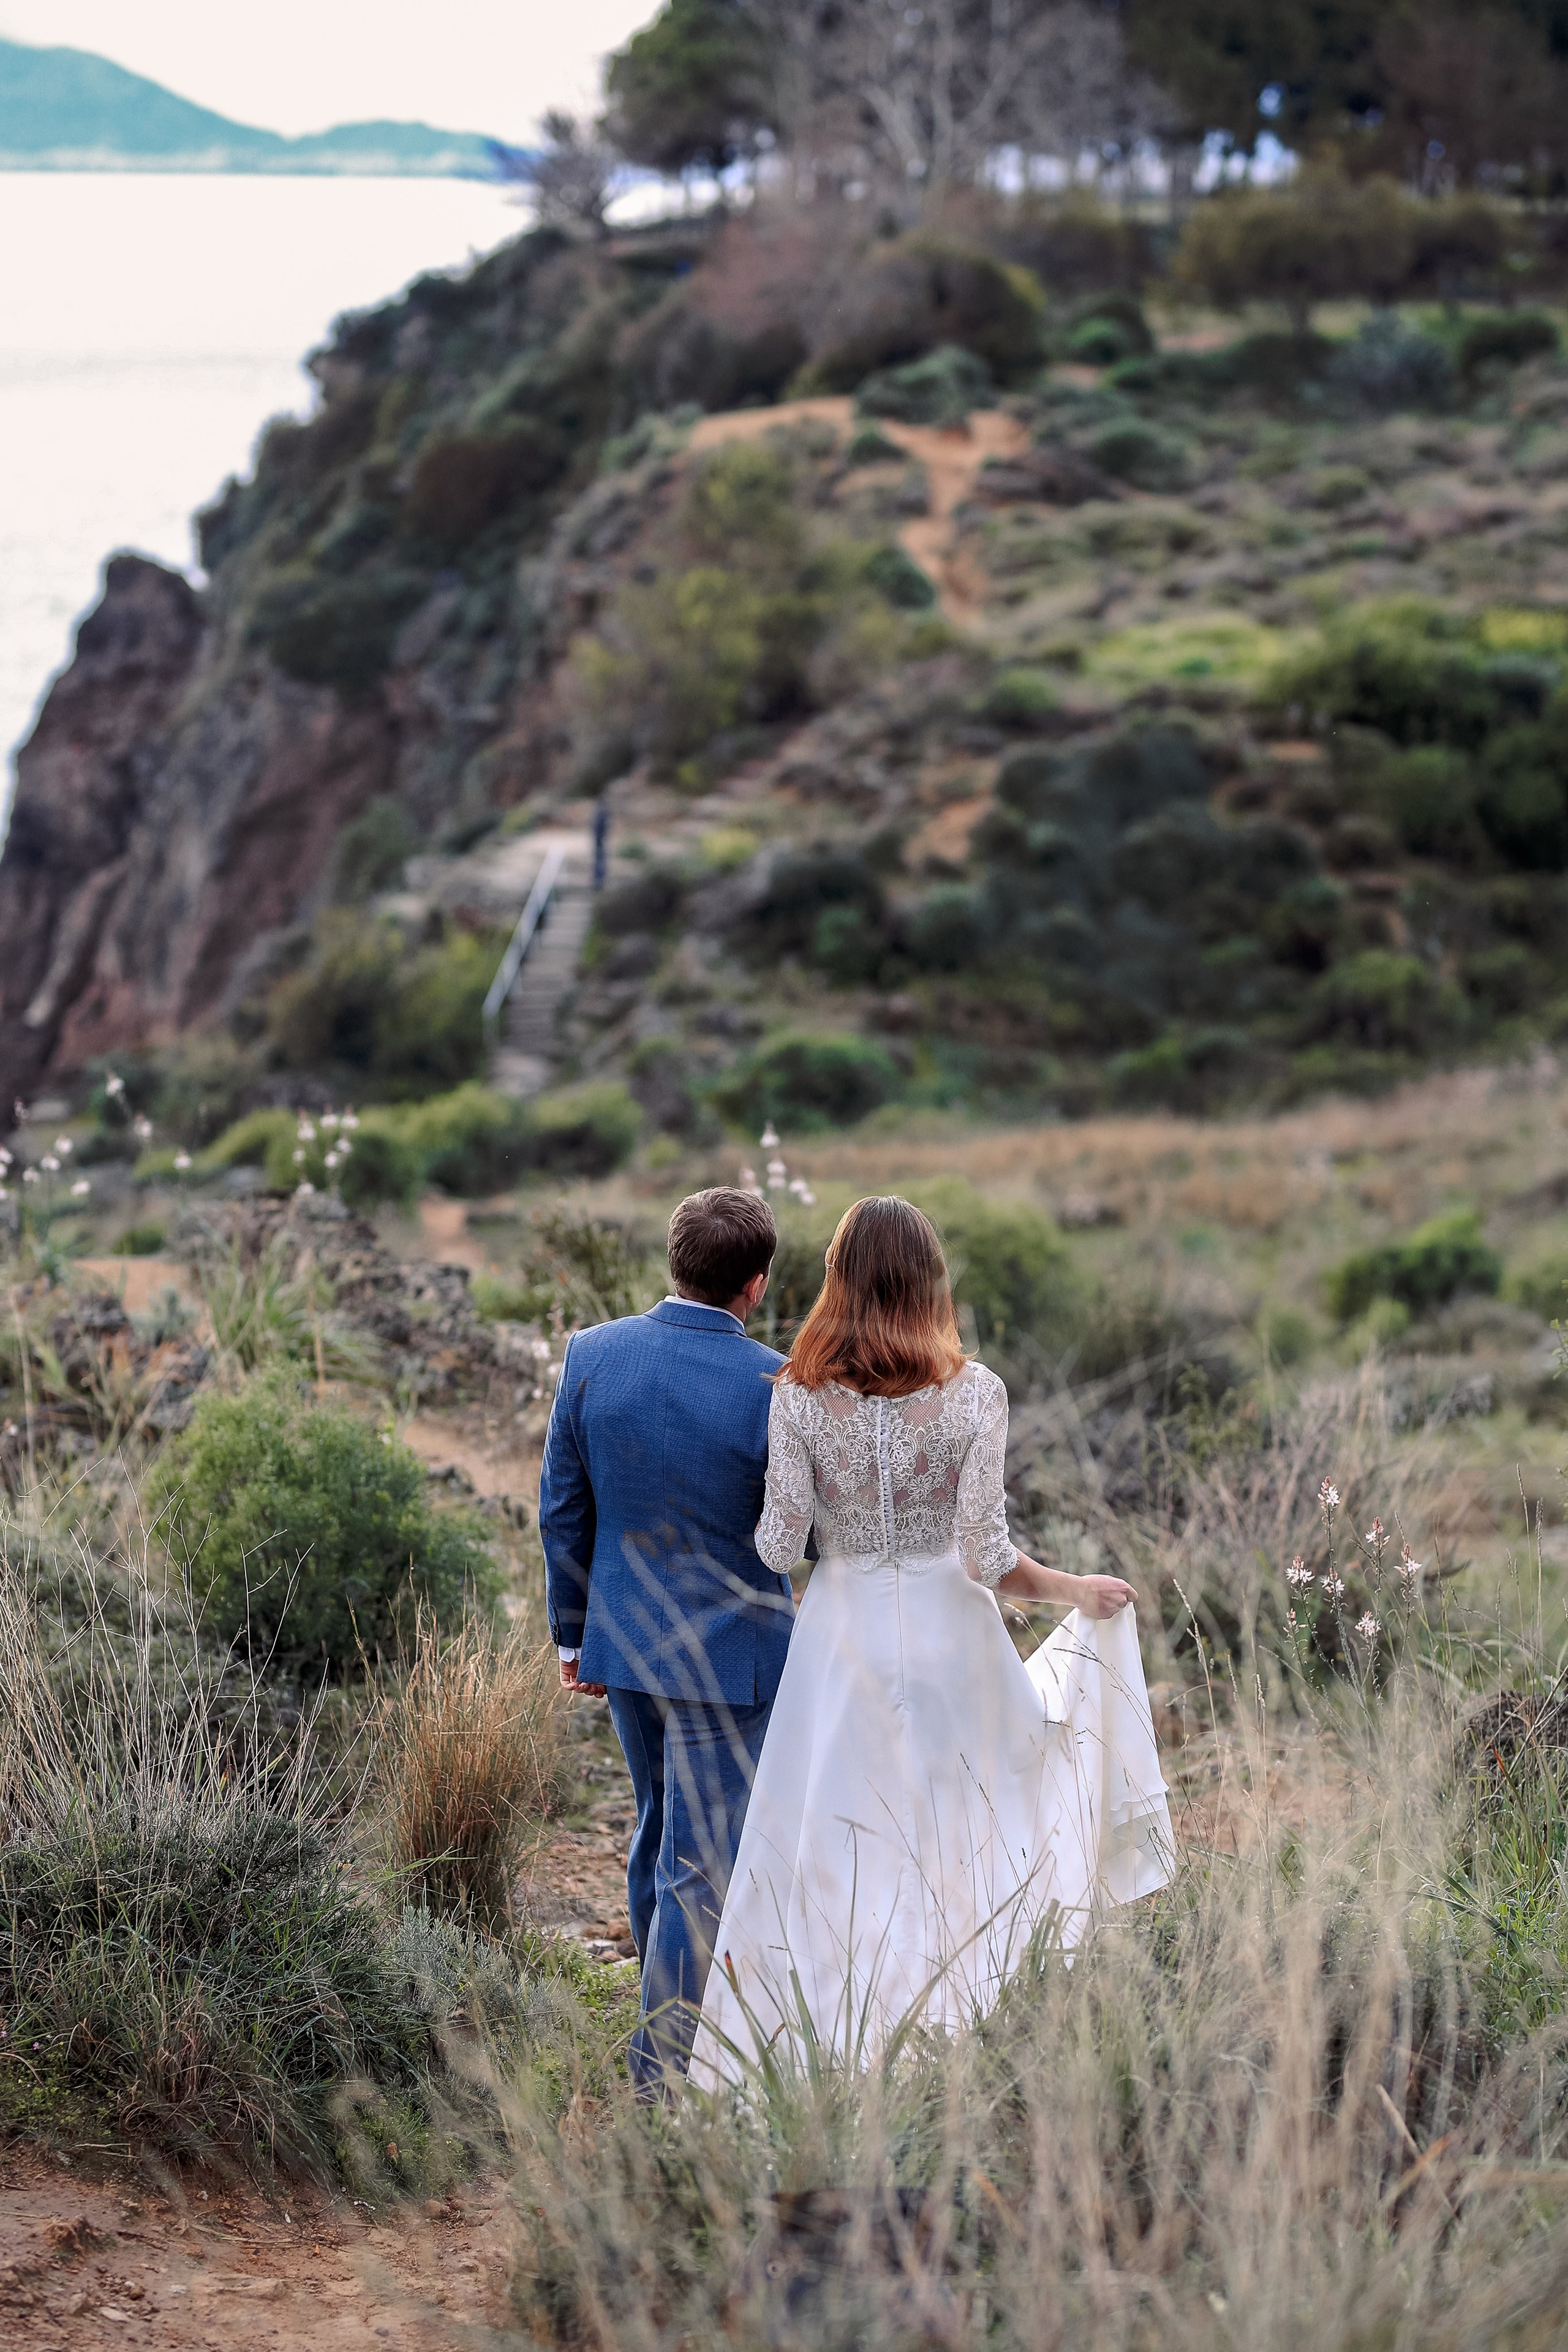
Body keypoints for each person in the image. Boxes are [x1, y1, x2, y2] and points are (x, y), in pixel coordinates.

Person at [690, 1195, 1173, 2089]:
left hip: (842, 1644)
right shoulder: (974, 1392)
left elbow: (777, 1547)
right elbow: (989, 1556)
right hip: (955, 1638)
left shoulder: (795, 1396)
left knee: (834, 1844)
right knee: (974, 1834)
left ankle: (822, 2058)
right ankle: (967, 2056)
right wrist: (1079, 1592)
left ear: (838, 1279)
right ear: (928, 1281)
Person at [538, 1186, 793, 2094]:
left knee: (657, 1830)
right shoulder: (776, 1381)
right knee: (701, 1858)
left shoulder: (593, 1356)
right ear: (755, 1286)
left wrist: (573, 1633)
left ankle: (662, 2032)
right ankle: (658, 2078)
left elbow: (562, 1510)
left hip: (625, 1644)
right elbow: (787, 1533)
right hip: (735, 1656)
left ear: (672, 1263)